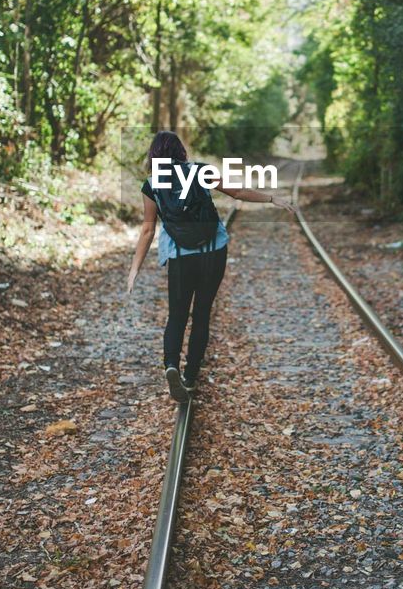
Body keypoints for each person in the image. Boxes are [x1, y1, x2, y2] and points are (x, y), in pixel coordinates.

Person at [126, 131, 294, 401]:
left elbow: (147, 230)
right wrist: (272, 198)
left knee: (177, 315)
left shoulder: (151, 185)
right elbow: (237, 191)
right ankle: (190, 378)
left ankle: (171, 365)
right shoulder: (199, 171)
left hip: (180, 257)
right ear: (180, 151)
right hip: (212, 253)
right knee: (202, 314)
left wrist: (135, 269)